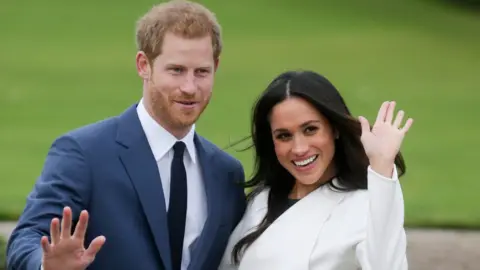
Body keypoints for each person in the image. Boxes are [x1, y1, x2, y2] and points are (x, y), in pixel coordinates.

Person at [6, 1, 247, 270]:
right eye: (176, 70)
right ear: (144, 65)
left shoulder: (227, 174)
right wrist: (45, 265)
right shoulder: (84, 153)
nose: (189, 87)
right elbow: (25, 240)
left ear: (216, 66)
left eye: (201, 72)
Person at [218, 70, 412, 270]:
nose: (299, 148)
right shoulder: (261, 200)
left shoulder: (365, 205)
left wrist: (382, 165)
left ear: (334, 128)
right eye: (284, 136)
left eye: (310, 129)